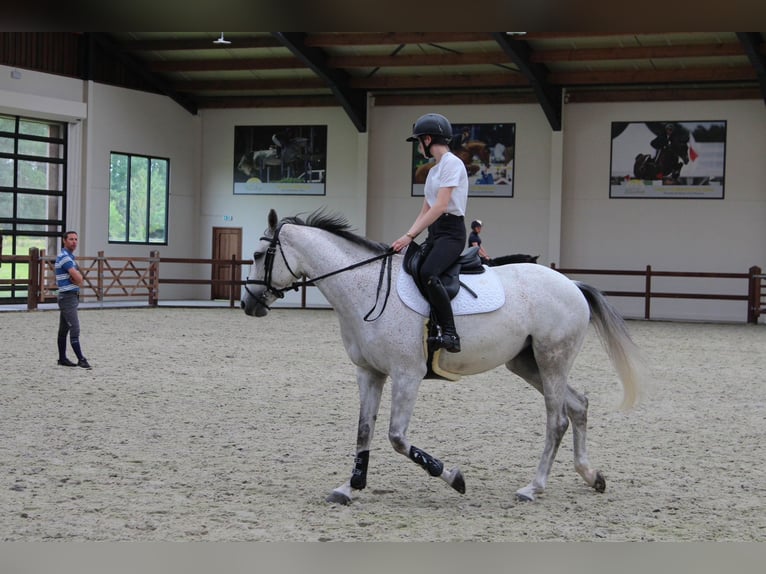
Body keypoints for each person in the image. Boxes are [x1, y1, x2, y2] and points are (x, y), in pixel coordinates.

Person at [392, 113, 468, 353]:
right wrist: (407, 236)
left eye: (418, 142)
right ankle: (429, 326)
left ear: (427, 139)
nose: (418, 147)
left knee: (428, 271)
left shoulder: (452, 163)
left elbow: (440, 206)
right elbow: (425, 208)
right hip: (435, 232)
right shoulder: (434, 171)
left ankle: (450, 332)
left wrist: (411, 235)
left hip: (452, 233)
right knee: (412, 266)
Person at [55, 231, 91, 369]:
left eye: (76, 239)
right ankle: (81, 359)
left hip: (68, 296)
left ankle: (62, 358)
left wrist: (76, 279)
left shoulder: (69, 257)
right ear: (64, 240)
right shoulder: (65, 258)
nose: (74, 242)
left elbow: (78, 278)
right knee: (74, 328)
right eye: (71, 239)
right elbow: (80, 278)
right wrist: (77, 280)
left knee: (63, 329)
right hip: (68, 296)